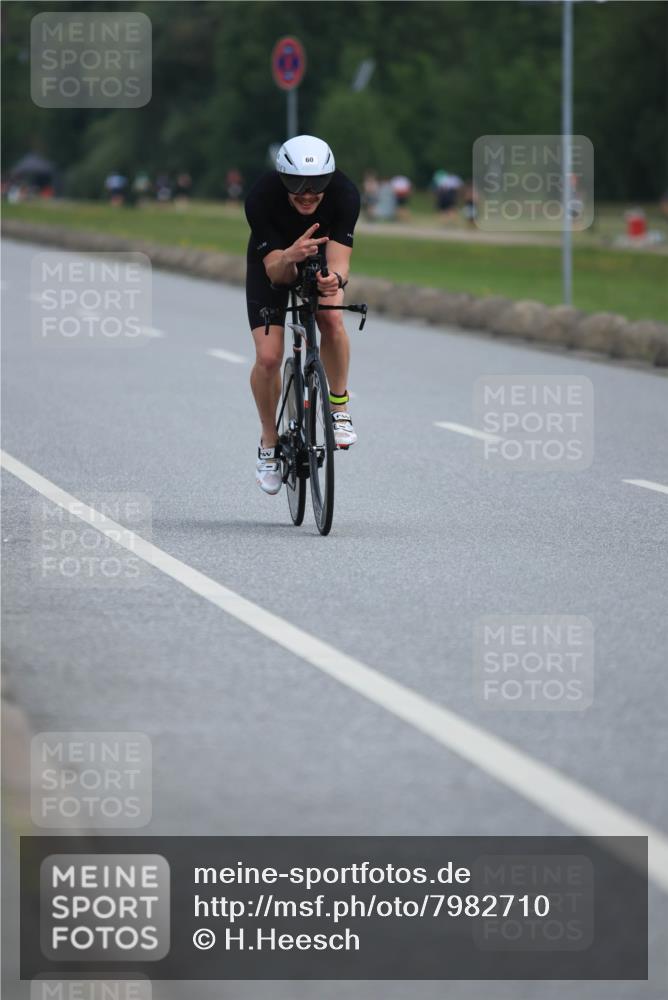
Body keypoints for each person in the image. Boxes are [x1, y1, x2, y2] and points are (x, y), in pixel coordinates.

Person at [244, 135, 360, 495]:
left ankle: (338, 407)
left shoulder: (345, 194)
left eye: (317, 185)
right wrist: (291, 255)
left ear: (330, 178)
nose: (307, 194)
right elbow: (276, 273)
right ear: (282, 179)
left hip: (320, 259)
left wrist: (333, 280)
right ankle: (268, 442)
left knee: (332, 319)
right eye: (296, 186)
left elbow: (341, 264)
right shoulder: (261, 197)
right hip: (275, 261)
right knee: (268, 357)